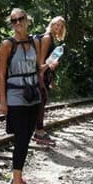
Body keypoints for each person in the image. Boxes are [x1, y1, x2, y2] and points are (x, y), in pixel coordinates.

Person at [0, 8, 42, 184]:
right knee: (22, 138)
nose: (18, 23)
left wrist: (49, 66)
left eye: (21, 19)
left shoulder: (35, 42)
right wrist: (3, 101)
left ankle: (17, 177)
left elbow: (38, 68)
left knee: (26, 137)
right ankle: (17, 183)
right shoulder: (7, 45)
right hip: (15, 96)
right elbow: (1, 74)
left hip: (33, 95)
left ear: (27, 20)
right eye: (14, 21)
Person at [33, 15, 67, 146]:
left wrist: (51, 67)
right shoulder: (47, 38)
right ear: (51, 24)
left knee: (41, 103)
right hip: (42, 75)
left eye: (61, 26)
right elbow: (41, 63)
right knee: (41, 103)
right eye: (56, 25)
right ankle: (39, 132)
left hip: (46, 75)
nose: (58, 28)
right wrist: (46, 70)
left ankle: (38, 130)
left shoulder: (51, 38)